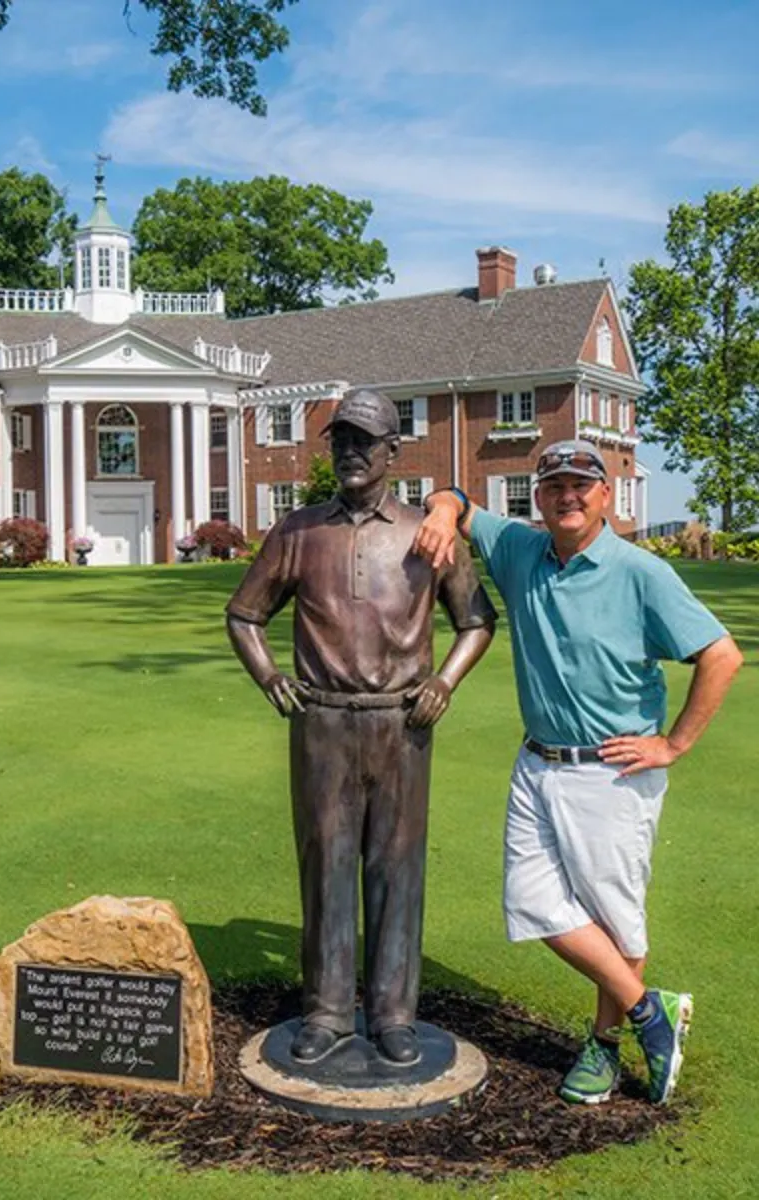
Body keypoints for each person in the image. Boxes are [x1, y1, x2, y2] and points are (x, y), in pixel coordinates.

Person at [413, 439, 742, 1104]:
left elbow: (722, 655)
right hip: (537, 763)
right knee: (530, 901)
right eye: (554, 485)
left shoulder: (638, 571)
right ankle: (652, 1011)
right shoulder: (520, 549)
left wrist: (673, 744)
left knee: (616, 920)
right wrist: (444, 513)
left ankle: (606, 1044)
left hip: (612, 772)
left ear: (606, 495)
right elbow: (458, 498)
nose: (568, 496)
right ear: (538, 496)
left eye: (581, 485)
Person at [225, 389, 497, 1067]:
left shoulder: (426, 534)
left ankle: (394, 1012)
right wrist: (269, 678)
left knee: (396, 867)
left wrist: (444, 682)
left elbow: (476, 620)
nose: (349, 452)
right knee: (326, 862)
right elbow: (244, 614)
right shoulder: (298, 532)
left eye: (363, 441)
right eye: (339, 440)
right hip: (321, 722)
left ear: (392, 452)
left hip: (402, 724)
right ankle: (325, 1007)